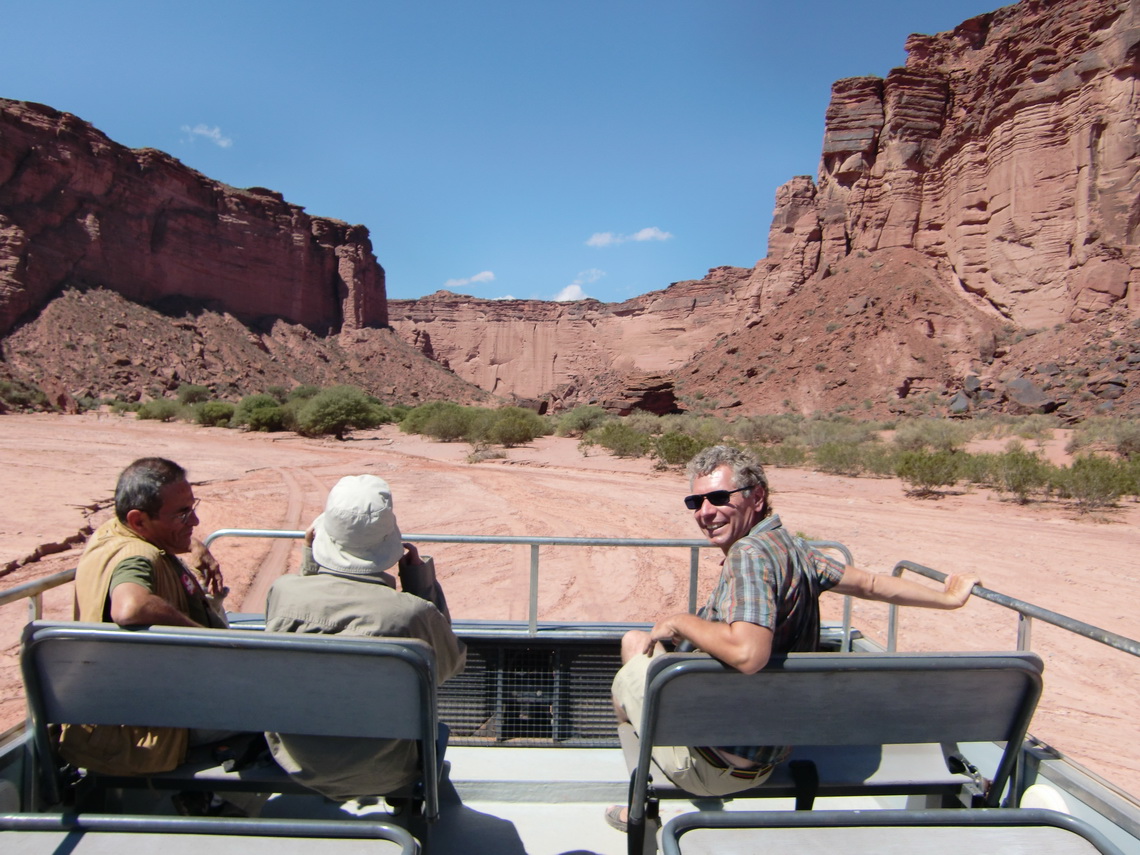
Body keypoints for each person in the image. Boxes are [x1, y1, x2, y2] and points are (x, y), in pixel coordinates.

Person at [605, 445, 980, 832]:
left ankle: (639, 807)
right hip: (770, 752)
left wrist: (681, 621)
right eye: (695, 501)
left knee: (635, 645)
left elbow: (748, 653)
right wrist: (948, 600)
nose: (705, 512)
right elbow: (869, 583)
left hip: (717, 763)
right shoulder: (794, 548)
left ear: (757, 496)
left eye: (718, 498)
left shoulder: (748, 555)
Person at [265, 474, 467, 801]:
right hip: (387, 769)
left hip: (298, 760)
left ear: (321, 536)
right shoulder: (411, 613)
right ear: (389, 542)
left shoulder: (282, 593)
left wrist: (311, 561)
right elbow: (450, 664)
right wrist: (421, 584)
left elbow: (313, 603)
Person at [60, 457, 229, 778]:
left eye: (192, 508)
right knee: (283, 713)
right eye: (183, 514)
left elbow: (146, 538)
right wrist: (205, 638)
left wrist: (191, 543)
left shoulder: (115, 532)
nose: (195, 520)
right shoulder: (138, 556)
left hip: (112, 719)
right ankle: (226, 804)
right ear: (138, 521)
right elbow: (129, 607)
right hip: (147, 733)